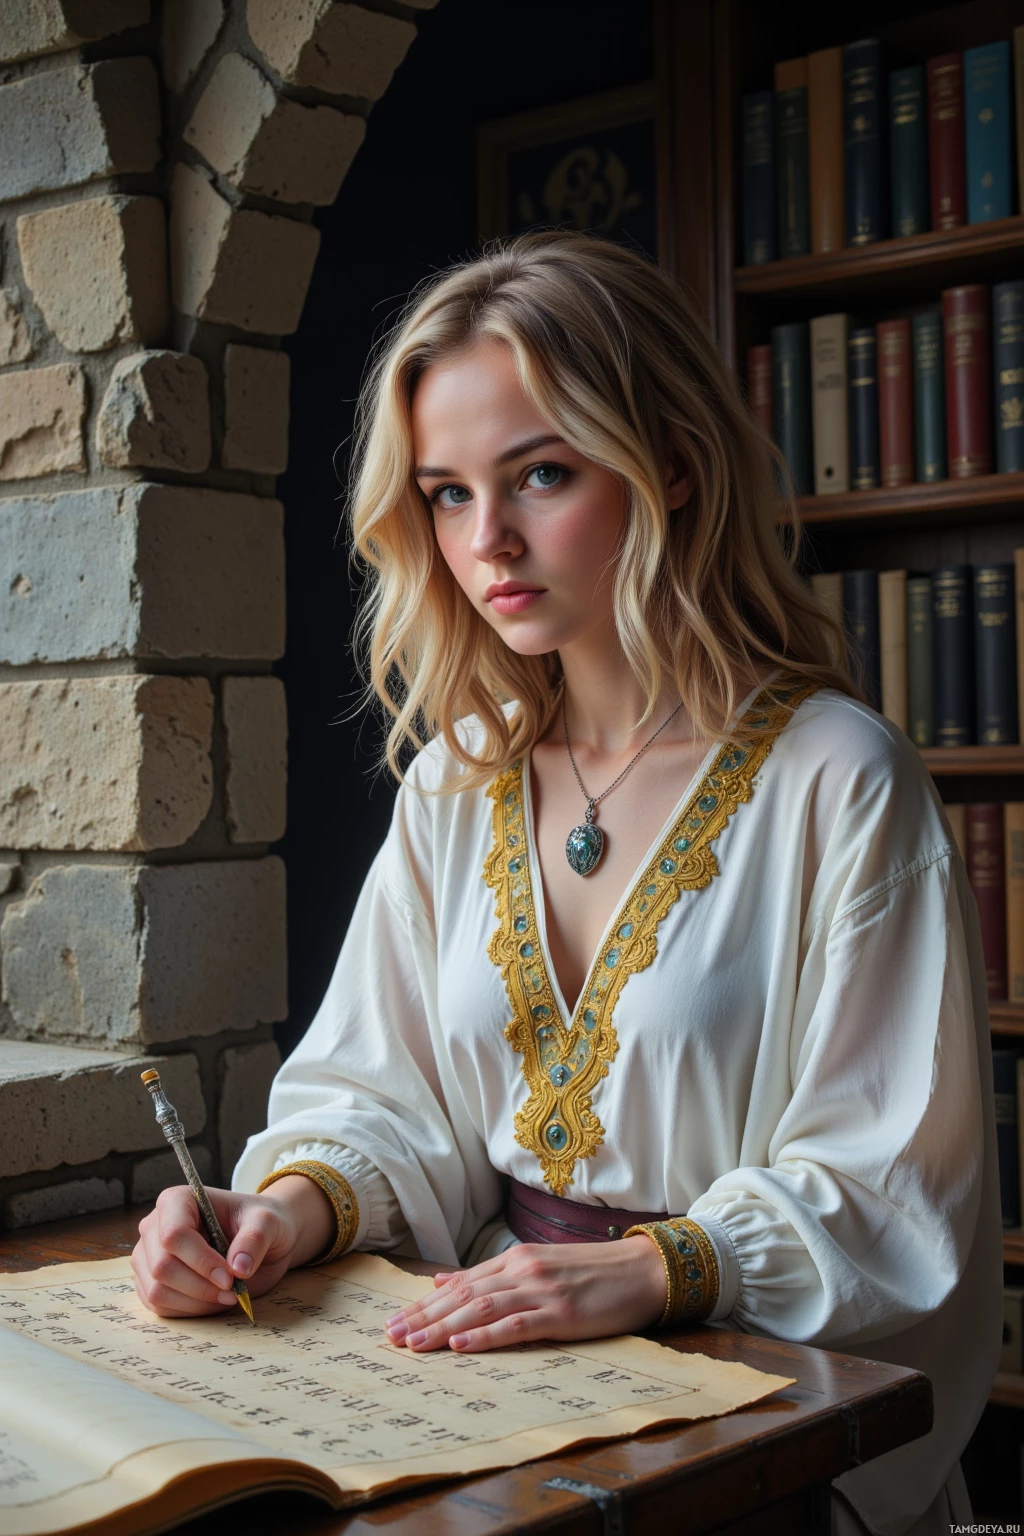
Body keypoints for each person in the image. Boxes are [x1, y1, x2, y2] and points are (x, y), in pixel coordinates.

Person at [131, 232, 1001, 1536]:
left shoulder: (839, 779)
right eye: (447, 493)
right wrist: (280, 1212)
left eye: (541, 474)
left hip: (747, 1413)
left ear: (672, 466)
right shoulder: (457, 780)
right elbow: (385, 1093)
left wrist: (652, 1270)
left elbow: (895, 1185)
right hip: (490, 1397)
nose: (489, 541)